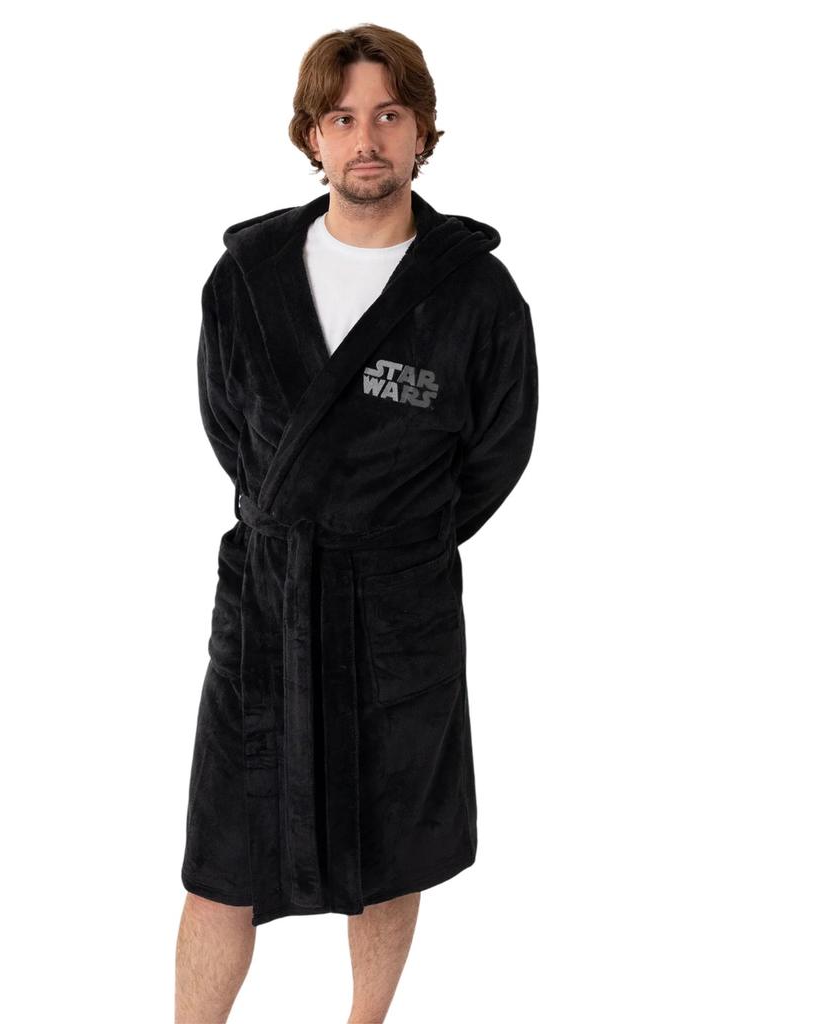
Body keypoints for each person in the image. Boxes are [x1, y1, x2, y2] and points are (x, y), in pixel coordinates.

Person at [175, 22, 539, 1023]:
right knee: (220, 863)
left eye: (388, 114)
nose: (365, 138)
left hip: (398, 615)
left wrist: (394, 544)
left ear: (422, 131)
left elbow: (496, 454)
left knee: (392, 854)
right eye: (341, 118)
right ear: (311, 136)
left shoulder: (475, 295)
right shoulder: (248, 277)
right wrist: (304, 521)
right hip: (265, 607)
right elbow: (228, 426)